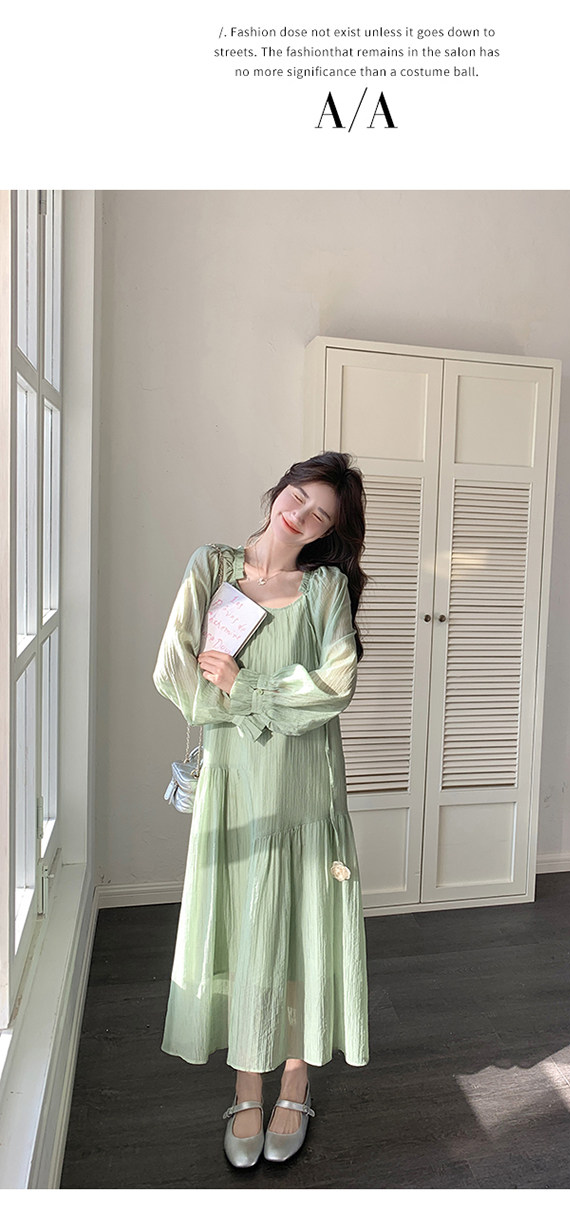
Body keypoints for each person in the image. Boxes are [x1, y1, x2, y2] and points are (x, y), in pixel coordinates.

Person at [153, 451, 369, 1167]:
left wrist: (244, 688)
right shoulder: (213, 569)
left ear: (330, 531)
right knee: (245, 926)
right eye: (299, 496)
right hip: (235, 787)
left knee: (303, 927)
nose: (301, 514)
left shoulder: (325, 587)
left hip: (306, 788)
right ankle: (248, 1083)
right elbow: (176, 672)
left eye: (321, 514)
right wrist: (246, 701)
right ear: (281, 489)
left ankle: (295, 1080)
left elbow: (336, 684)